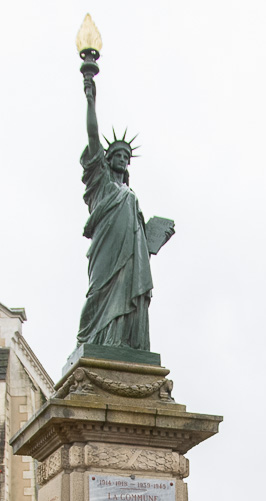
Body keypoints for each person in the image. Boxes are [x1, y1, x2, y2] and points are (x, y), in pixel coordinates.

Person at [76, 69, 168, 349]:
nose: (122, 159)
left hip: (130, 258)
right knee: (98, 292)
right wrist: (90, 99)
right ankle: (90, 340)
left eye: (126, 156)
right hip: (106, 250)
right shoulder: (101, 183)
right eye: (117, 155)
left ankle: (120, 341)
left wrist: (152, 239)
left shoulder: (131, 196)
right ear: (107, 159)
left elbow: (138, 237)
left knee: (127, 294)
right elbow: (93, 136)